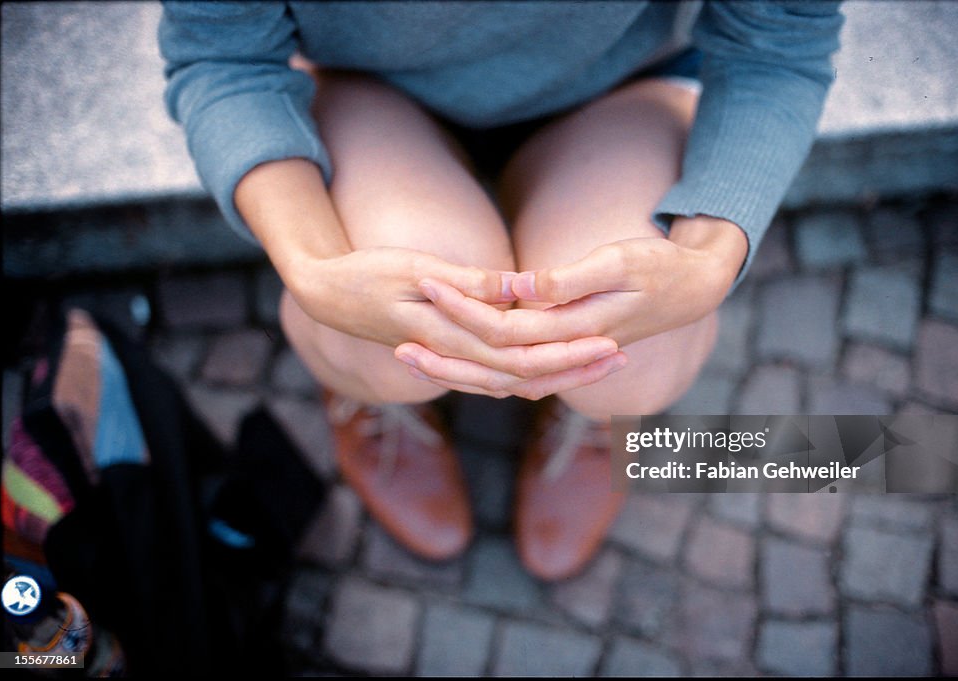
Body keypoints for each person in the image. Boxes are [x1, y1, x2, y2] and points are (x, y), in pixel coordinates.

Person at [159, 1, 843, 580]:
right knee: (380, 347)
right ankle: (364, 386)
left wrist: (708, 261)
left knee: (640, 355)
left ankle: (594, 409)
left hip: (616, 90)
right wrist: (314, 268)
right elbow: (223, 54)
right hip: (368, 92)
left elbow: (777, 41)